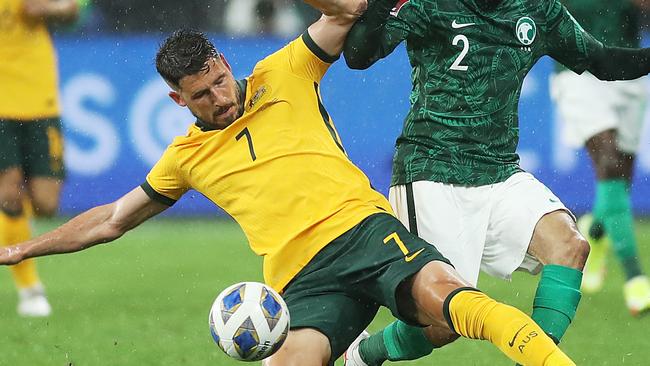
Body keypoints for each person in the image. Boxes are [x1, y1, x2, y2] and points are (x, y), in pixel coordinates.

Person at [0, 1, 576, 365]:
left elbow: (348, 11)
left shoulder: (286, 70)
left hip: (363, 233)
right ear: (177, 99)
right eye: (202, 95)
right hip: (299, 280)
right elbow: (110, 219)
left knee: (447, 307)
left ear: (225, 62)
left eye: (222, 80)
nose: (222, 97)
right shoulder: (185, 157)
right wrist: (28, 247)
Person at [342, 0, 650, 365]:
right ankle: (363, 354)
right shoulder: (430, 3)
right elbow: (359, 55)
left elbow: (603, 62)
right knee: (443, 324)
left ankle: (534, 359)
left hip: (500, 171)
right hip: (431, 173)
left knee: (570, 246)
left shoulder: (537, 9)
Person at [550, 0, 650, 316]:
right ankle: (636, 279)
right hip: (577, 72)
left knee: (621, 180)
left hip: (629, 68)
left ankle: (596, 230)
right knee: (609, 165)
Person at [0, 0, 79, 317]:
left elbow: (74, 10)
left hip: (40, 100)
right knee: (9, 193)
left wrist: (56, 8)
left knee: (47, 203)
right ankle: (30, 288)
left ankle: (12, 222)